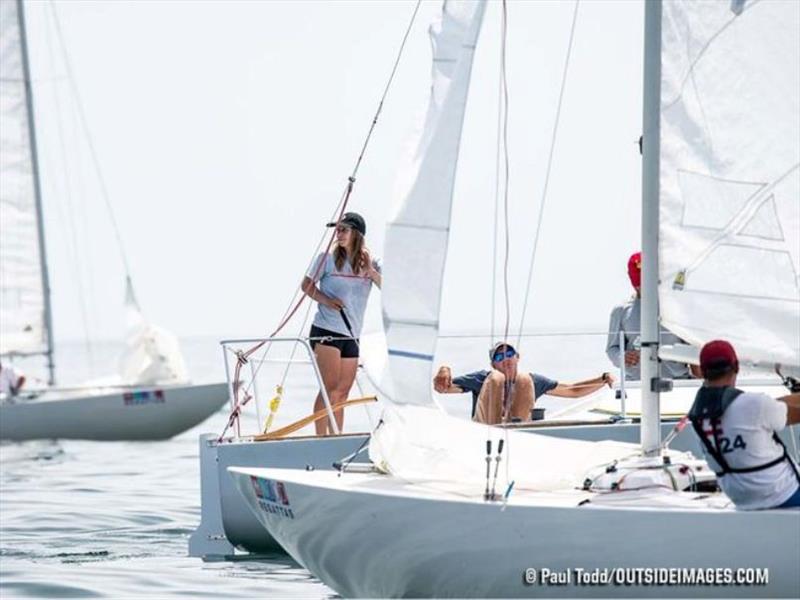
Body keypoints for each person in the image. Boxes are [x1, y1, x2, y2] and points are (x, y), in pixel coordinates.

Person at [688, 340, 800, 509]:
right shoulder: (756, 405)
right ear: (737, 367)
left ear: (703, 371)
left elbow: (747, 412)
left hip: (742, 498)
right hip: (782, 493)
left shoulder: (697, 416)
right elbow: (794, 414)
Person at [301, 212, 381, 435]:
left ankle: (337, 437)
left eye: (344, 229)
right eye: (337, 229)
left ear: (357, 234)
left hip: (351, 334)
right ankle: (321, 438)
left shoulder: (370, 263)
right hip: (326, 330)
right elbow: (306, 285)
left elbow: (390, 289)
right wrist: (326, 300)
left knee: (342, 392)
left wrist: (371, 273)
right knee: (329, 388)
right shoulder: (326, 259)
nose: (339, 234)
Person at [433, 342, 614, 425]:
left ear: (518, 358)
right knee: (496, 379)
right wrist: (445, 369)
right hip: (485, 431)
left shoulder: (533, 381)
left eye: (510, 354)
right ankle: (496, 428)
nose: (506, 359)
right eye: (499, 356)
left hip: (518, 433)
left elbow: (573, 391)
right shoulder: (483, 377)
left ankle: (519, 429)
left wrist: (603, 378)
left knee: (524, 379)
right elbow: (444, 388)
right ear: (493, 364)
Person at [606, 251, 697, 379]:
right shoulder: (621, 311)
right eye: (639, 284)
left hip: (678, 383)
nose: (644, 288)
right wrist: (622, 357)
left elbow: (693, 346)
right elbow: (612, 349)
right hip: (637, 385)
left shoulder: (677, 307)